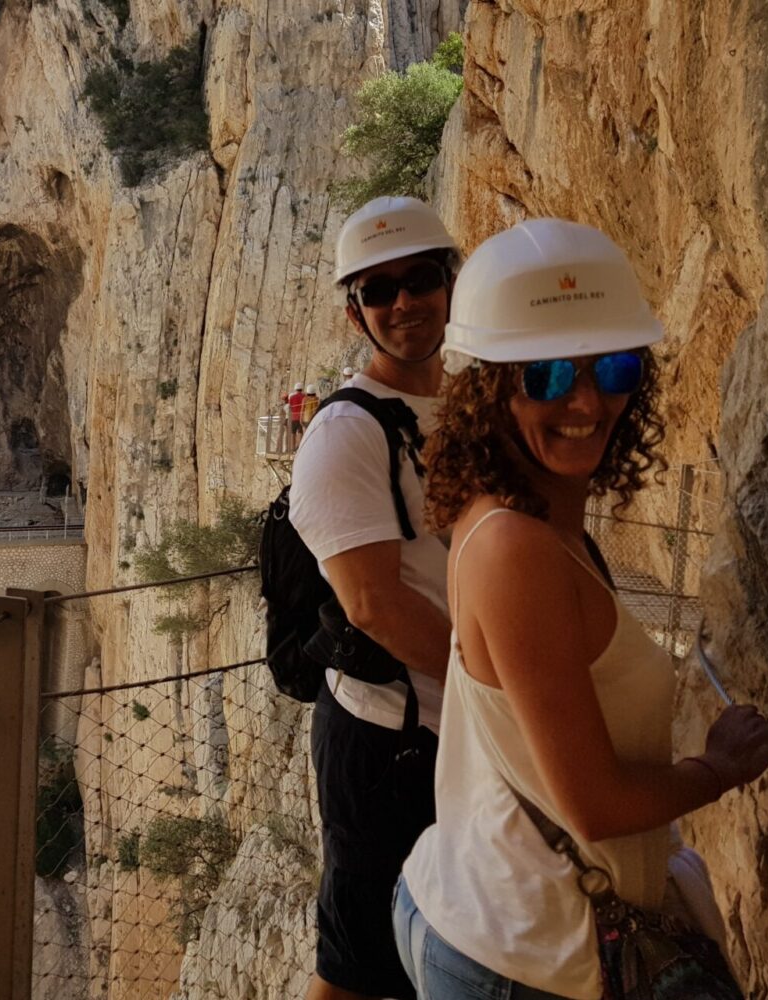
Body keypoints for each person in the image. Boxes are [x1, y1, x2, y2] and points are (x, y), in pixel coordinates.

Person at [395, 219, 768, 999]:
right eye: (544, 376)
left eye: (611, 368)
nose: (584, 400)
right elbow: (596, 806)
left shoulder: (534, 514)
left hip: (485, 907)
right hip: (526, 953)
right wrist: (718, 769)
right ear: (491, 389)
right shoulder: (517, 548)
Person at [289, 196, 461, 1000]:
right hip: (389, 735)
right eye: (378, 289)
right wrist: (493, 697)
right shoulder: (346, 434)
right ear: (354, 308)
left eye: (420, 278)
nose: (403, 303)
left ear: (450, 283)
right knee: (357, 966)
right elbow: (373, 605)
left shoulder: (460, 407)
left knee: (451, 936)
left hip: (449, 724)